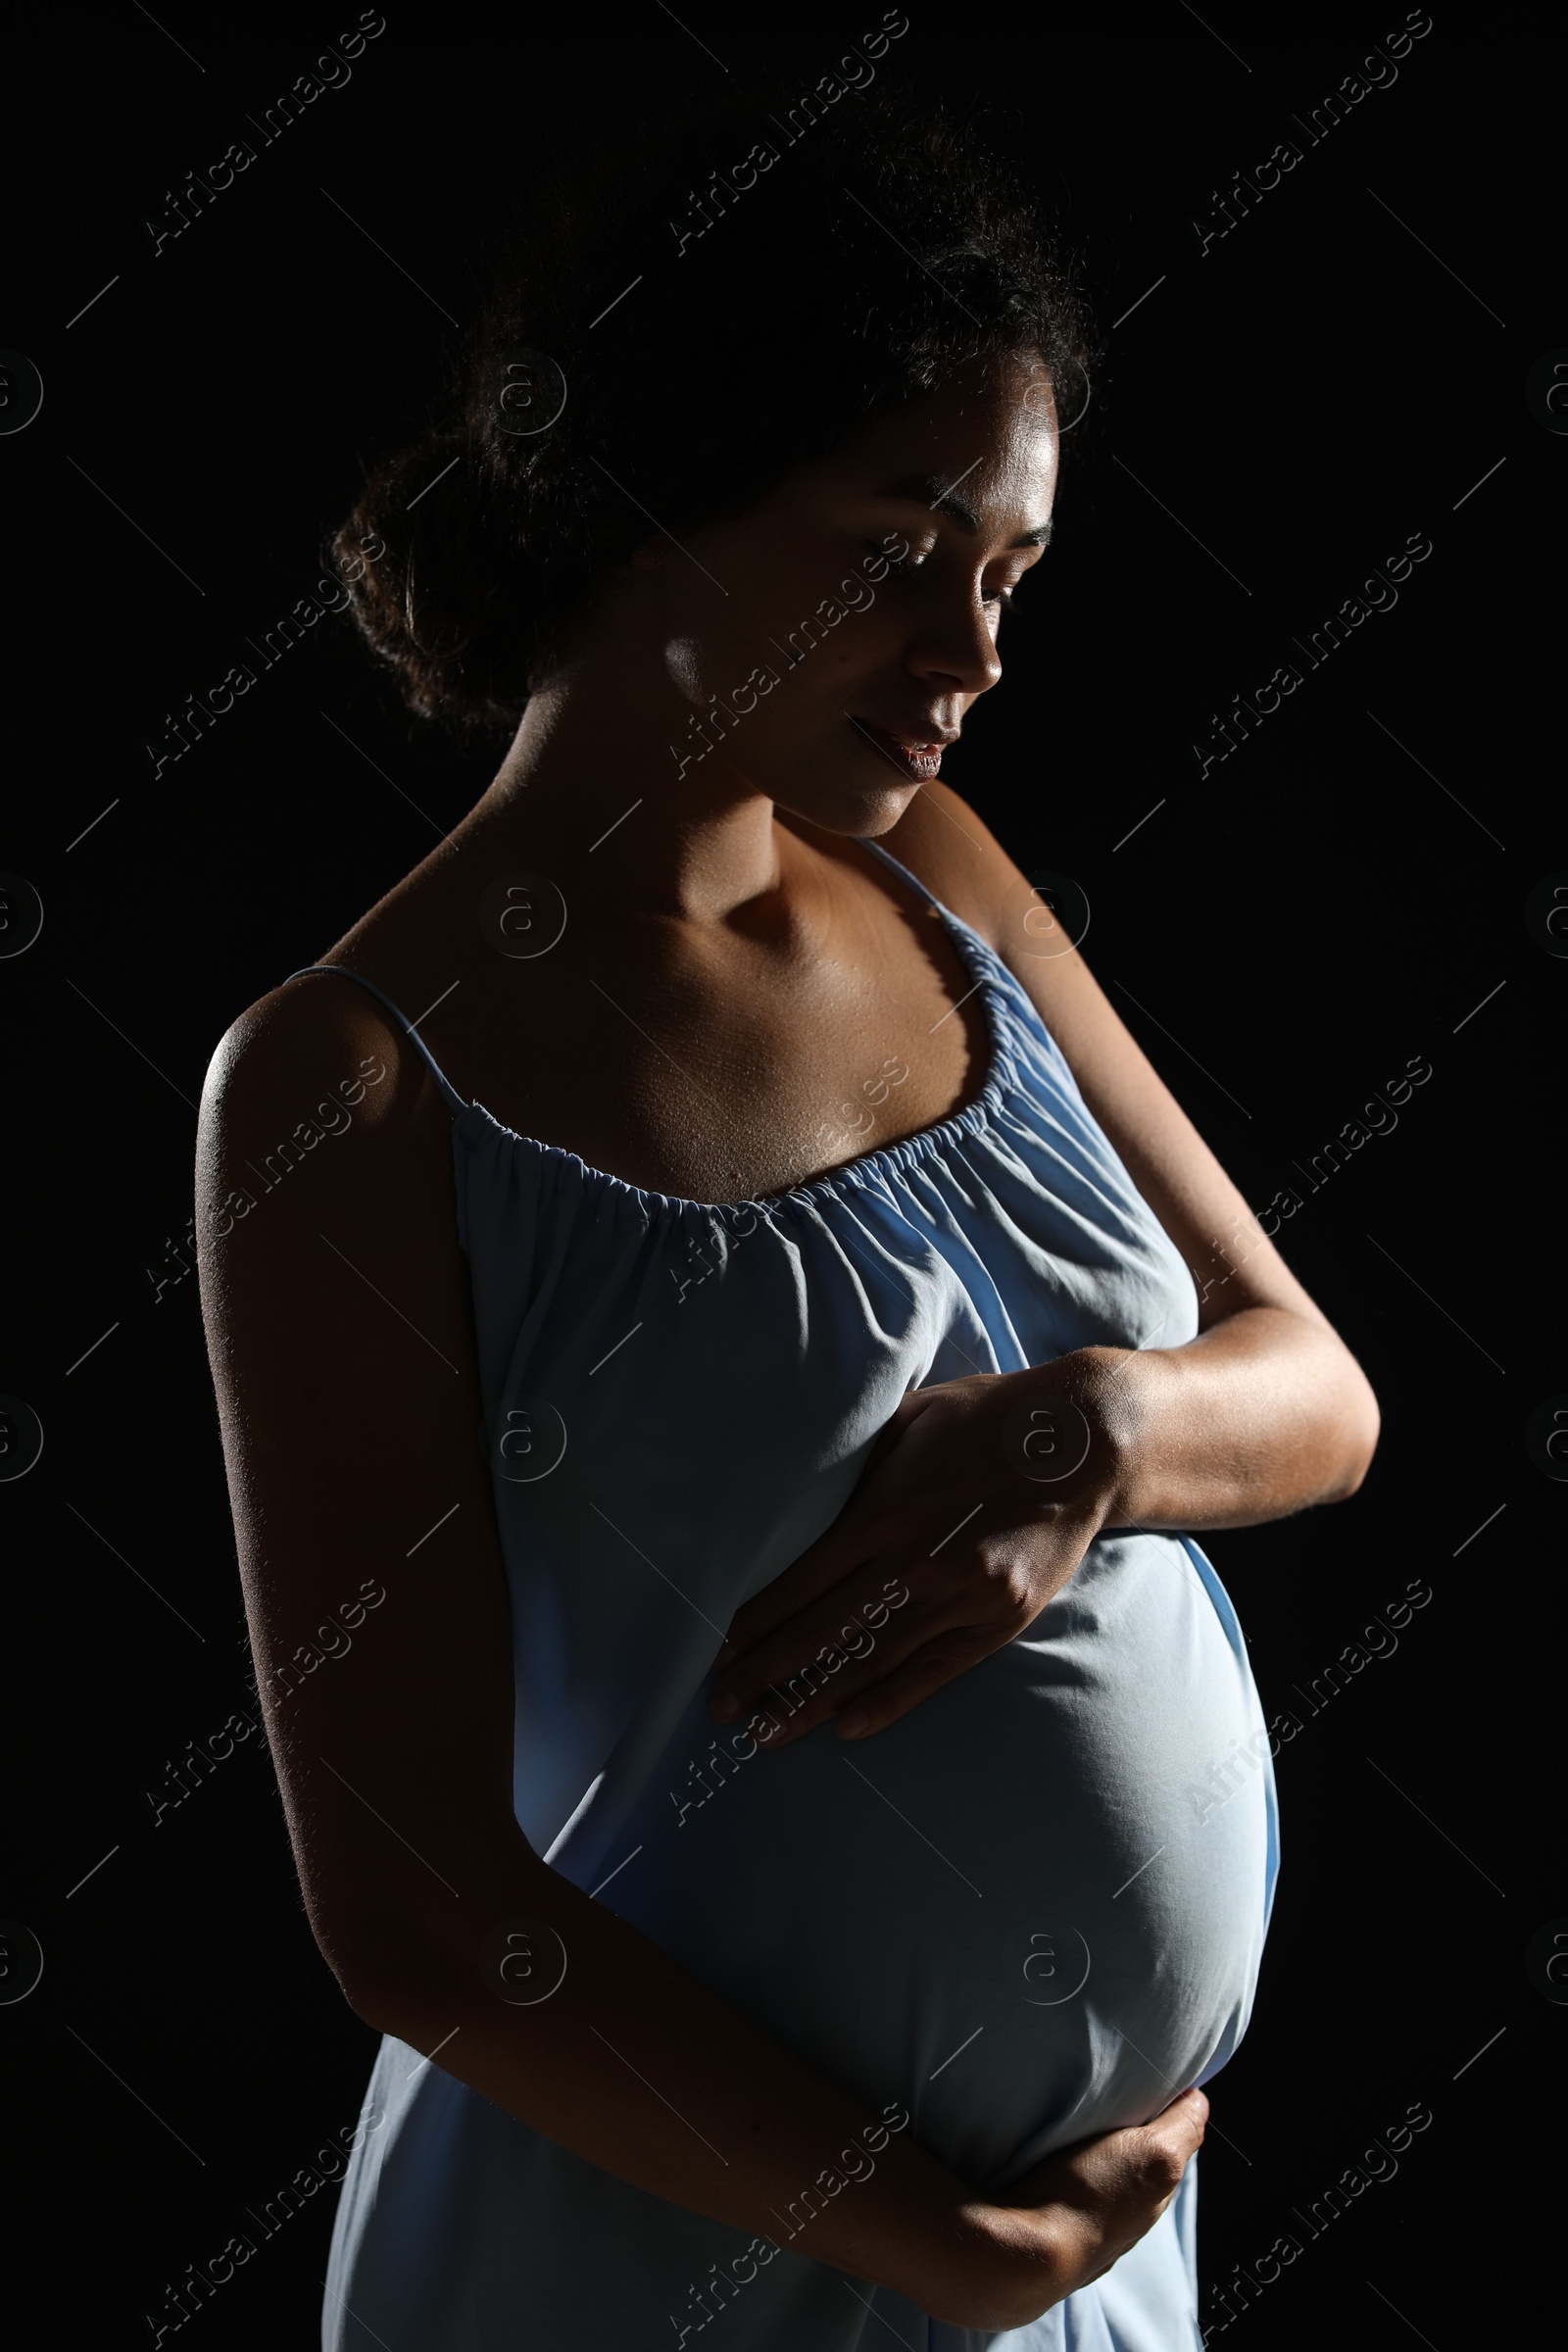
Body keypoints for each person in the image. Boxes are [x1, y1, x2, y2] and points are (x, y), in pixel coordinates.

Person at [196, 85, 1379, 2350]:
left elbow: (1315, 1389)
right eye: (890, 547)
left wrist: (1080, 1447)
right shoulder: (346, 1086)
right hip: (666, 2268)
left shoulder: (936, 885)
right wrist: (946, 2248)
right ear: (651, 489)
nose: (972, 648)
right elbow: (419, 1913)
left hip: (1063, 2273)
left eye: (1007, 574)